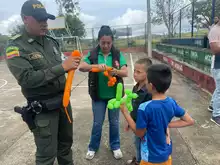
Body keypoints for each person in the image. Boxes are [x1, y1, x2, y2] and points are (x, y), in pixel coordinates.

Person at [5, 0, 81, 165]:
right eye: (39, 19)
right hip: (43, 109)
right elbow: (27, 79)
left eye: (45, 19)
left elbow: (63, 65)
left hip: (63, 103)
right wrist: (62, 67)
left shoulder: (51, 42)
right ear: (25, 19)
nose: (44, 23)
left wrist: (73, 65)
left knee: (66, 148)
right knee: (47, 155)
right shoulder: (16, 47)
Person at [120, 64, 194, 165]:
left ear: (151, 86)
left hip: (150, 159)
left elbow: (139, 133)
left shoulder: (144, 108)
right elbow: (189, 120)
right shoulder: (171, 102)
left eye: (147, 80)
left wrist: (125, 112)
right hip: (166, 156)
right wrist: (166, 124)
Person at [79, 25, 128, 160]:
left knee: (114, 122)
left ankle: (115, 146)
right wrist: (95, 67)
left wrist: (115, 71)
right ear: (98, 41)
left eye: (108, 43)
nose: (105, 45)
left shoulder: (117, 54)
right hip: (98, 96)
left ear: (112, 42)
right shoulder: (93, 54)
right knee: (97, 123)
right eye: (103, 43)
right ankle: (93, 147)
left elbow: (125, 72)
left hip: (114, 97)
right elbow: (82, 67)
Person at [126, 58, 152, 165]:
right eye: (134, 71)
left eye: (138, 72)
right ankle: (138, 159)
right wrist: (130, 121)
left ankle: (140, 161)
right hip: (136, 123)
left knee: (143, 146)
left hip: (144, 127)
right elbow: (134, 107)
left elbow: (148, 114)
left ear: (147, 74)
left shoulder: (149, 93)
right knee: (137, 143)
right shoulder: (135, 87)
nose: (135, 74)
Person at [208, 16, 220, 126]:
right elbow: (215, 49)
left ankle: (212, 105)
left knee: (219, 88)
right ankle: (216, 115)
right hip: (218, 64)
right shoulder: (215, 30)